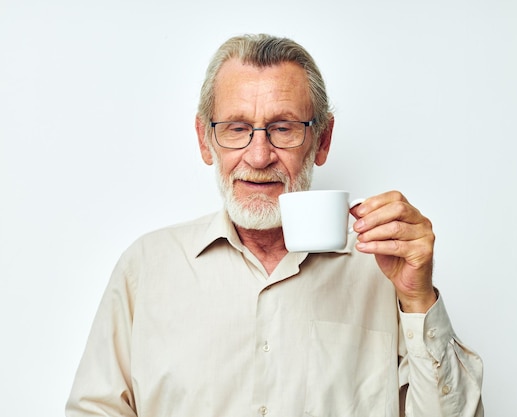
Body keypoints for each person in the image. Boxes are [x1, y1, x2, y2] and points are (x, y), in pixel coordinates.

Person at [66, 33, 483, 417]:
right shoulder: (147, 267)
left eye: (283, 128)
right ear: (204, 140)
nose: (259, 156)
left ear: (322, 141)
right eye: (237, 128)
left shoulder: (382, 270)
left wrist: (418, 298)